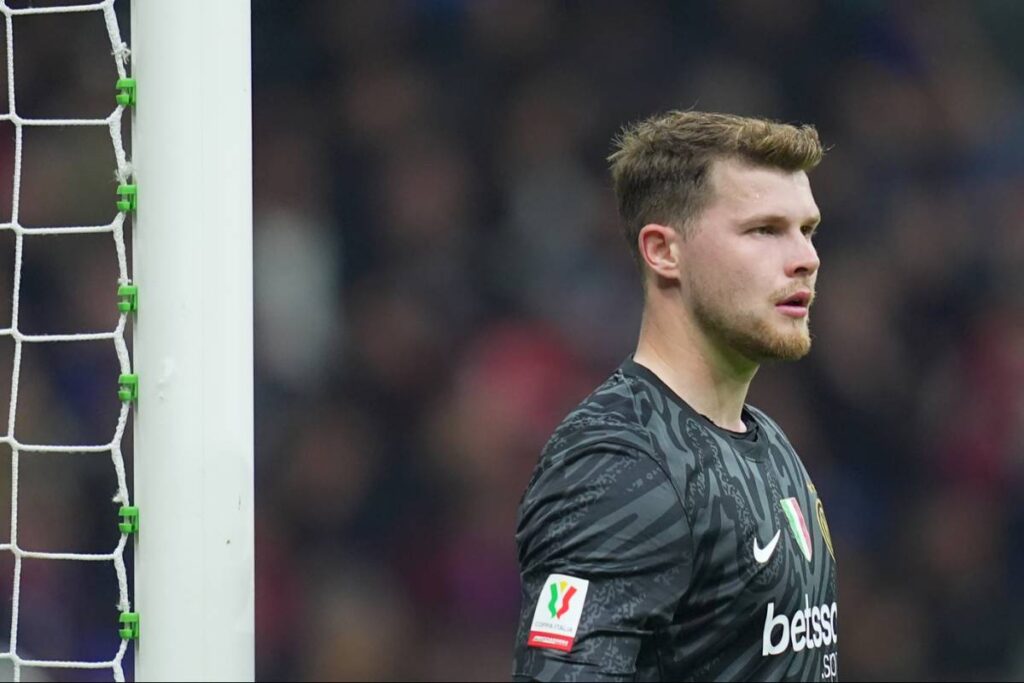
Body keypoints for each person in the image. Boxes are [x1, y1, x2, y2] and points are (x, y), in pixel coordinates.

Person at [512, 110, 838, 682]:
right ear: (664, 251)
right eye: (764, 229)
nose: (805, 258)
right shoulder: (619, 465)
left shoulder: (769, 444)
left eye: (806, 229)